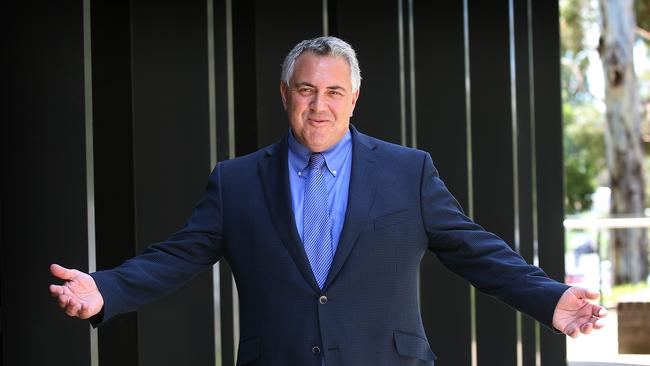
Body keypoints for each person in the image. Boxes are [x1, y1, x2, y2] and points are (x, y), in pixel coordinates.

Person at [50, 36, 606, 365]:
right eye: (307, 90)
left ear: (354, 97)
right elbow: (178, 255)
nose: (320, 105)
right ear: (286, 94)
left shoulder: (407, 171)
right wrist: (105, 290)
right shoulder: (237, 181)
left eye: (334, 91)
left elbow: (474, 248)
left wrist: (549, 297)